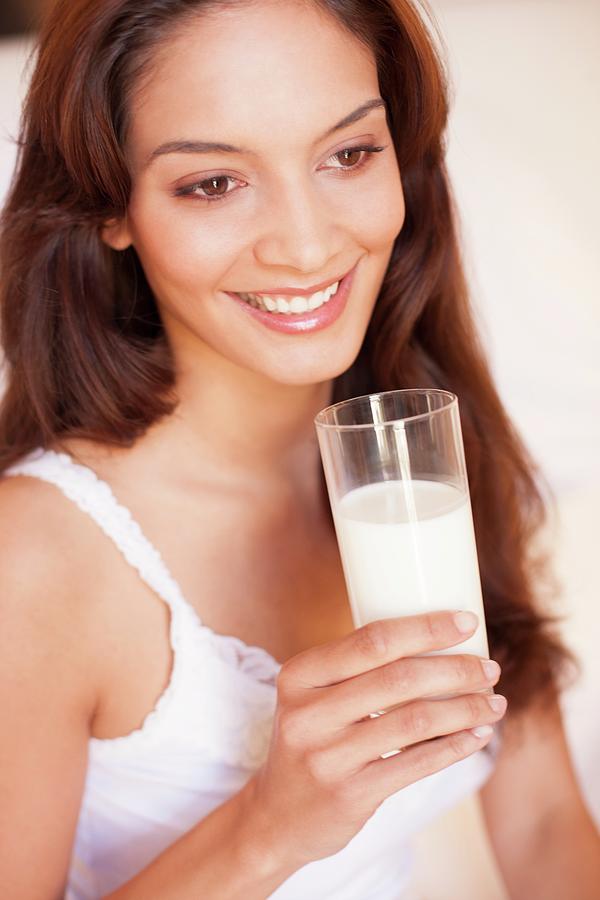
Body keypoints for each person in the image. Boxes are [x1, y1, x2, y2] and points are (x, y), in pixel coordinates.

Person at [0, 0, 598, 897]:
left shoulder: (430, 459)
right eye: (212, 183)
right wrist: (270, 828)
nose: (309, 243)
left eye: (349, 155)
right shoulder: (36, 561)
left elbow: (546, 826)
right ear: (108, 207)